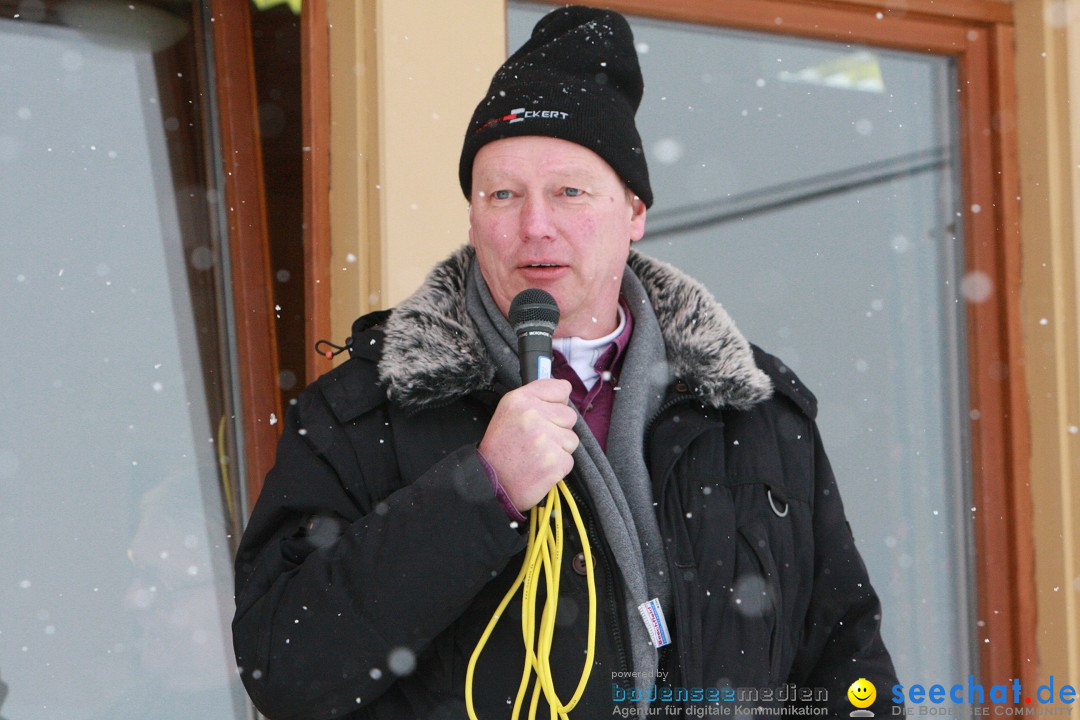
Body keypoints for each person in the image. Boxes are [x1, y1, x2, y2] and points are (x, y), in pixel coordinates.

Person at [232, 6, 901, 718]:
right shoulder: (364, 413)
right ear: (472, 218)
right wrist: (477, 495)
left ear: (634, 211)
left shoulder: (751, 411)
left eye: (569, 192)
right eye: (503, 195)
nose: (534, 225)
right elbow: (283, 666)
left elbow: (848, 662)